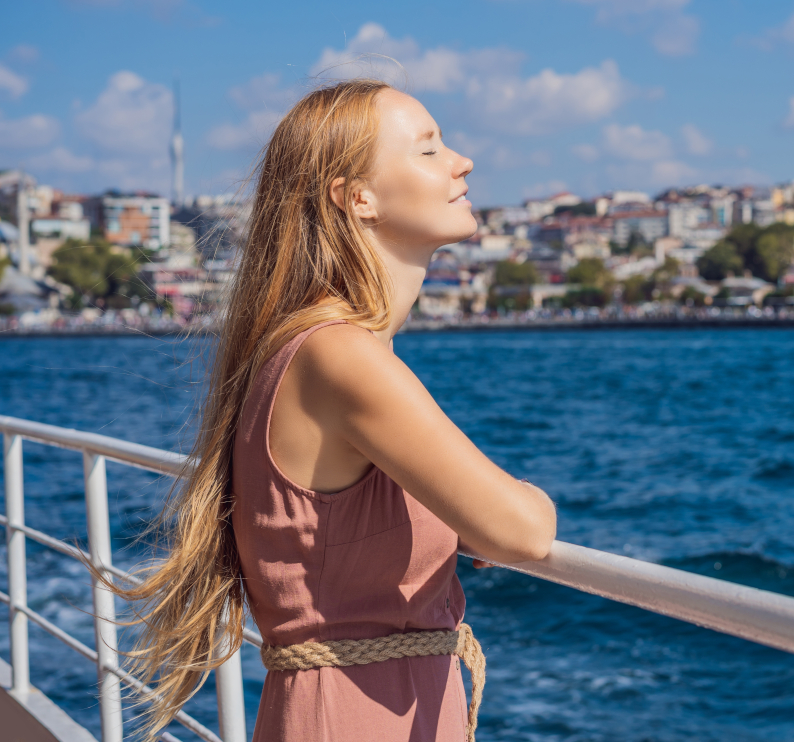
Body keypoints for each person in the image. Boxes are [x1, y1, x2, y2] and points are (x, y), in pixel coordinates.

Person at [115, 79, 557, 742]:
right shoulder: (342, 356)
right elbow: (524, 532)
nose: (462, 161)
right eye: (429, 149)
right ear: (358, 197)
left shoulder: (311, 346)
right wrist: (527, 502)